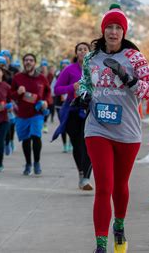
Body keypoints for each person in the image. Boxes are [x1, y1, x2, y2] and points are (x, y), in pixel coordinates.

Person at [74, 4, 149, 252]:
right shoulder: (92, 57)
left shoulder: (134, 58)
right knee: (104, 186)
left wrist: (129, 78)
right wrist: (85, 95)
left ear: (124, 32)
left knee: (120, 186)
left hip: (127, 132)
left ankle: (118, 226)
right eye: (109, 27)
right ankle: (100, 245)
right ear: (103, 30)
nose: (113, 32)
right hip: (97, 129)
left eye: (117, 28)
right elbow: (85, 83)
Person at [53, 43, 93, 190]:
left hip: (90, 111)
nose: (82, 52)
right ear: (76, 53)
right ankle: (81, 173)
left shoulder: (95, 69)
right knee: (77, 145)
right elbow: (57, 89)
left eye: (85, 49)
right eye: (80, 50)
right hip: (73, 111)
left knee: (88, 144)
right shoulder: (69, 70)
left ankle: (87, 179)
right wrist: (72, 87)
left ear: (90, 53)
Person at [11, 53, 51, 176]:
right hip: (22, 114)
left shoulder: (41, 78)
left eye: (31, 60)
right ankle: (28, 163)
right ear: (23, 62)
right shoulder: (17, 77)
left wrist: (46, 101)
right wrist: (18, 92)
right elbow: (11, 95)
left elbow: (48, 93)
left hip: (37, 113)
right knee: (26, 139)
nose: (28, 62)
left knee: (36, 136)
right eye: (26, 60)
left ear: (35, 63)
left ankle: (37, 163)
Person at [52, 58, 71, 152]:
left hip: (71, 104)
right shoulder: (58, 74)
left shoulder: (73, 74)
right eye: (63, 65)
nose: (65, 66)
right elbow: (53, 89)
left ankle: (71, 142)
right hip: (59, 104)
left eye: (66, 64)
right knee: (62, 124)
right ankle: (64, 145)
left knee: (72, 125)